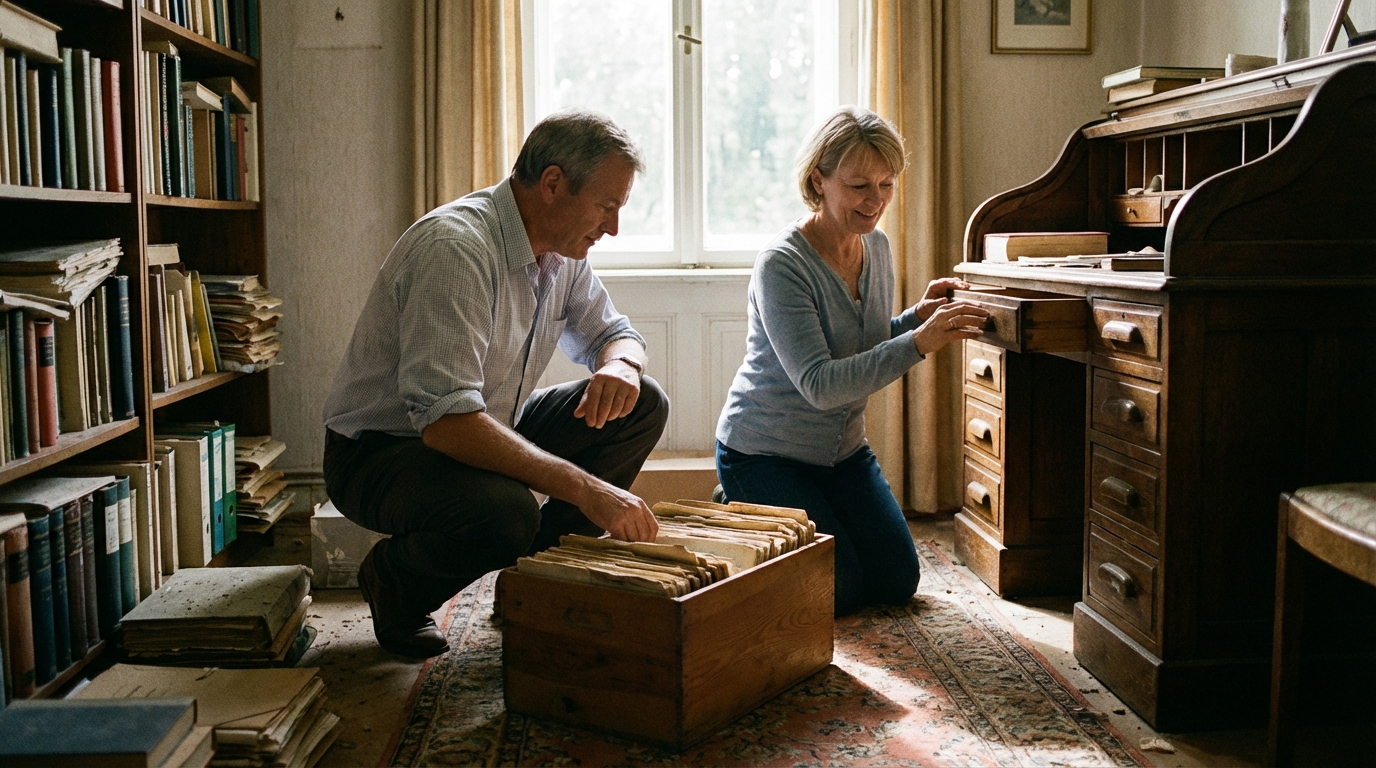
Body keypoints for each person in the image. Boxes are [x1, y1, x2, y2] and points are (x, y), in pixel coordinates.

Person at [323, 109, 667, 658]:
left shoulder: (562, 251)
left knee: (641, 402)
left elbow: (615, 332)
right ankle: (395, 583)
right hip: (382, 452)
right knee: (507, 513)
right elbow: (447, 424)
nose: (613, 227)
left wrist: (621, 364)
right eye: (608, 205)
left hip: (481, 424)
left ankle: (537, 582)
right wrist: (586, 488)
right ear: (553, 183)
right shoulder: (456, 248)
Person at [715, 106, 989, 616]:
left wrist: (913, 319)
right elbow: (819, 382)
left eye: (886, 184)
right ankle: (738, 501)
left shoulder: (876, 246)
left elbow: (860, 343)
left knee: (896, 581)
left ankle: (784, 516)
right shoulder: (782, 265)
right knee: (840, 594)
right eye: (860, 185)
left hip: (843, 456)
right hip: (766, 452)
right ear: (819, 180)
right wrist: (918, 343)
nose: (876, 201)